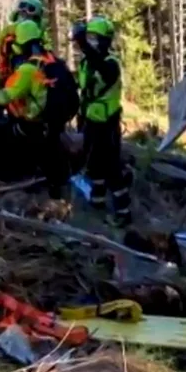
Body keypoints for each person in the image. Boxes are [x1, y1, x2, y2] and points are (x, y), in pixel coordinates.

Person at [0, 18, 79, 198]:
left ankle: (24, 184)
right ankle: (57, 187)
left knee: (7, 142)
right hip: (54, 122)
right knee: (51, 154)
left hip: (34, 123)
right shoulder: (53, 62)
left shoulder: (27, 70)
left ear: (20, 45)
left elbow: (2, 96)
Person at [72, 16, 131, 224]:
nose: (91, 41)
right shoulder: (86, 63)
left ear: (106, 40)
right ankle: (97, 201)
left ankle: (123, 213)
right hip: (89, 121)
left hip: (107, 124)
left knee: (112, 168)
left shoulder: (110, 63)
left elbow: (105, 74)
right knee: (94, 165)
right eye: (89, 37)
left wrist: (84, 44)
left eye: (95, 38)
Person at [0, 0, 46, 80]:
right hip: (9, 67)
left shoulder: (39, 32)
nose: (24, 10)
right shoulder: (9, 29)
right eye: (22, 6)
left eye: (30, 8)